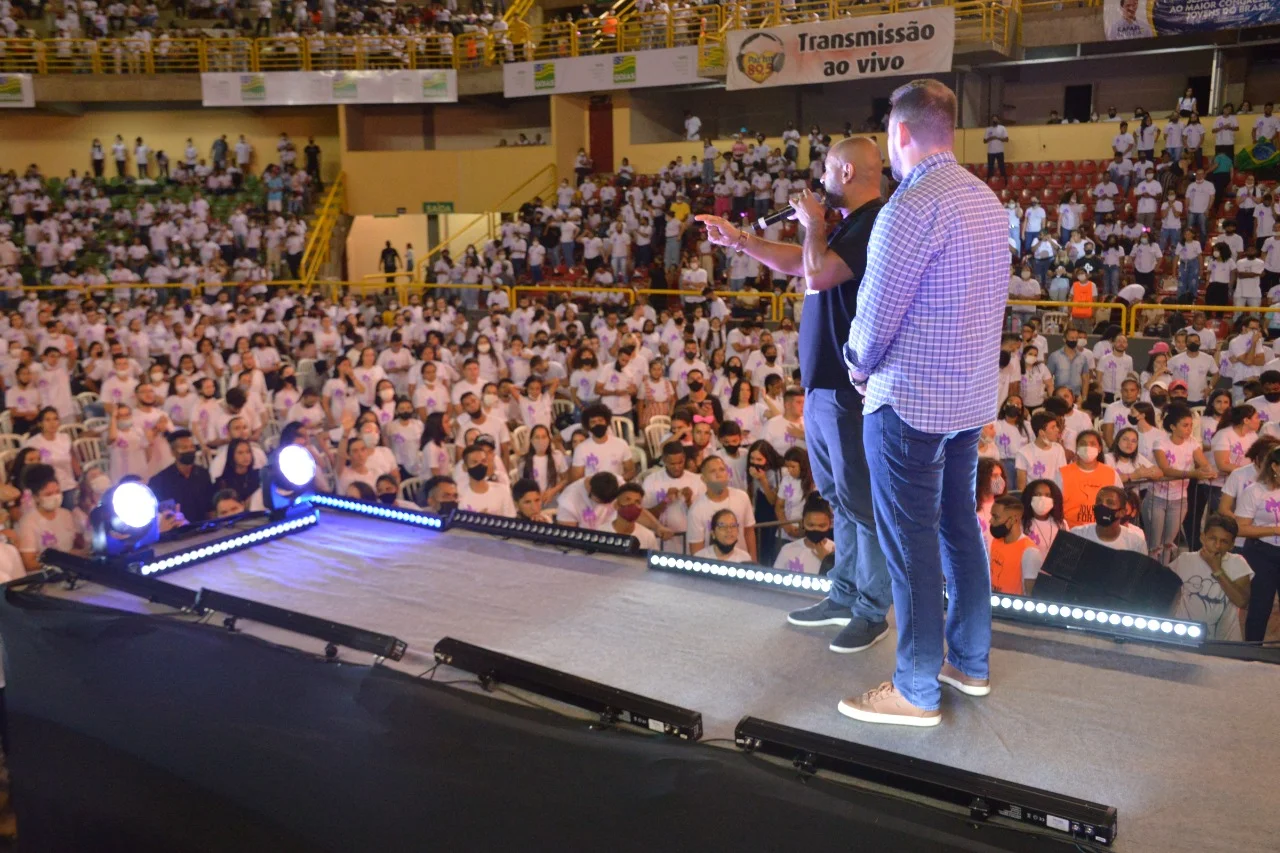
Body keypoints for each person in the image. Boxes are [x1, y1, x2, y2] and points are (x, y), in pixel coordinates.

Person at [839, 79, 1009, 727]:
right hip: (966, 400)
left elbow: (874, 318)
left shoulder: (909, 205)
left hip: (908, 401)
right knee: (958, 528)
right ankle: (968, 660)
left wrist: (857, 366)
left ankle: (915, 684)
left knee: (909, 542)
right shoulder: (984, 198)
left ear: (900, 133)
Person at [698, 136, 891, 651]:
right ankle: (845, 593)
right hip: (824, 386)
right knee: (840, 501)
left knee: (862, 505)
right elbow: (798, 262)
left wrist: (813, 226)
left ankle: (872, 609)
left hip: (850, 390)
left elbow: (817, 270)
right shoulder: (847, 224)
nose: (821, 180)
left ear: (846, 172)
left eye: (827, 170)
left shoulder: (873, 221)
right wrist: (740, 241)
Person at [1171, 514, 1253, 641]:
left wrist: (1217, 569)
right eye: (1213, 539)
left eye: (1224, 541)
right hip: (1183, 638)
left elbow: (1242, 601)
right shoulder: (1185, 560)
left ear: (1231, 545)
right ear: (1203, 538)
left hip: (1224, 643)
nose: (1218, 545)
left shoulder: (1238, 563)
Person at [1232, 444, 1280, 640]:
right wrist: (1274, 530)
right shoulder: (1254, 491)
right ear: (1275, 467)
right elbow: (1241, 527)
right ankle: (1252, 653)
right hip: (1262, 553)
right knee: (1260, 605)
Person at [148, 429, 215, 524]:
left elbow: (210, 508)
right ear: (173, 452)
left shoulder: (202, 474)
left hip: (203, 528)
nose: (189, 450)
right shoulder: (159, 481)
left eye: (191, 447)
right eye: (184, 448)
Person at [987, 495, 1043, 596]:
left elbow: (1031, 596)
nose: (990, 521)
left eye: (996, 517)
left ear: (1013, 519)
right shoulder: (995, 541)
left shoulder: (1029, 552)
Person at [1068, 485, 1148, 552]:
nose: (1103, 506)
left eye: (1110, 503)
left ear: (1122, 512)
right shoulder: (1077, 535)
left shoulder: (1136, 542)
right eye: (1099, 502)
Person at [774, 496, 835, 575]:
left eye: (821, 526)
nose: (815, 529)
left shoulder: (837, 552)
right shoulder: (788, 550)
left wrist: (827, 561)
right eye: (811, 525)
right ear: (803, 523)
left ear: (830, 524)